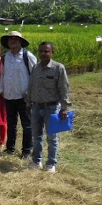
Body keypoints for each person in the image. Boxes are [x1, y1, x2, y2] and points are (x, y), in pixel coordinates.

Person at [26, 42, 71, 173]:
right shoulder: (35, 68)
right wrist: (28, 104)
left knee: (52, 137)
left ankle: (51, 163)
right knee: (36, 136)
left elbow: (64, 89)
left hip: (51, 108)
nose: (43, 54)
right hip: (36, 107)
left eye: (46, 51)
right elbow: (31, 87)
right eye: (40, 51)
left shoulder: (58, 68)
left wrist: (64, 108)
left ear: (52, 52)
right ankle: (36, 161)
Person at [0, 31, 37, 158]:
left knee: (27, 125)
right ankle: (10, 148)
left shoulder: (28, 56)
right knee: (11, 124)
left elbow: (35, 76)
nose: (13, 41)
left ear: (21, 42)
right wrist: (2, 88)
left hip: (24, 97)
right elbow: (2, 74)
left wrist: (29, 93)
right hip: (9, 95)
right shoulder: (5, 57)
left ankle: (26, 151)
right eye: (11, 39)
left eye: (16, 39)